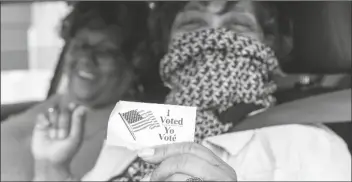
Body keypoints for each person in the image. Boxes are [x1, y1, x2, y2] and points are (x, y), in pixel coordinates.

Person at [31, 1, 351, 181]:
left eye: (237, 26)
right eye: (192, 25)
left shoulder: (311, 147)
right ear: (168, 44)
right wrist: (51, 167)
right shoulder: (140, 123)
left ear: (271, 46)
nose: (212, 38)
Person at [0, 2, 150, 181]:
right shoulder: (38, 114)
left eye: (104, 52)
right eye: (81, 45)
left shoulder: (141, 129)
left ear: (134, 61)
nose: (86, 59)